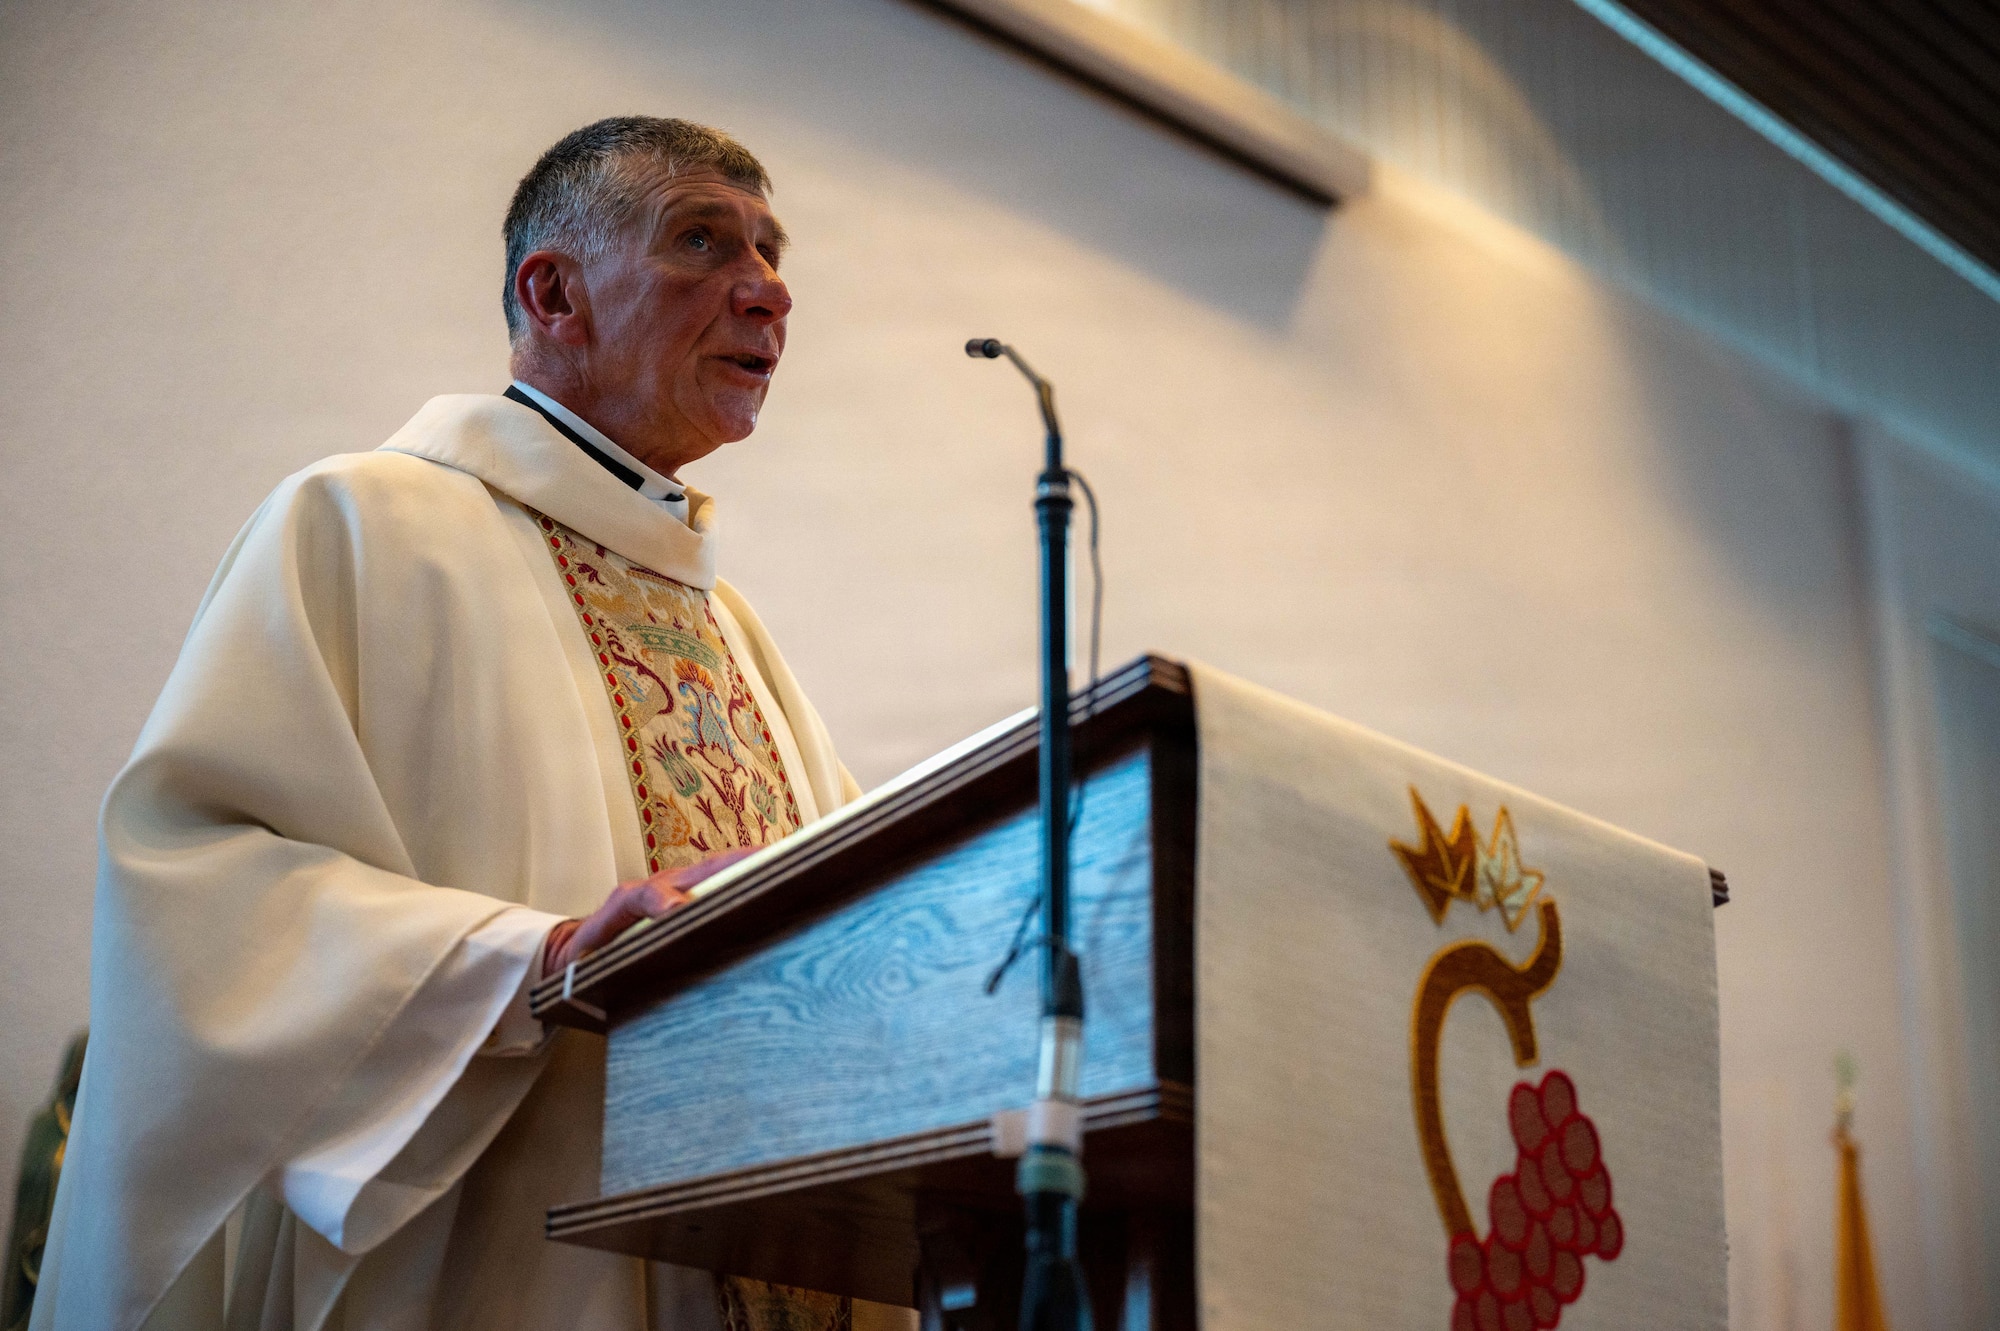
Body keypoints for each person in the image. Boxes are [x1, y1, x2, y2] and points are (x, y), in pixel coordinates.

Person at [31, 117, 900, 1331]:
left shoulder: (733, 634)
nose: (767, 289)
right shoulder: (362, 526)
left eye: (769, 250)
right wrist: (529, 964)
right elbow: (202, 889)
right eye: (702, 241)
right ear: (554, 292)